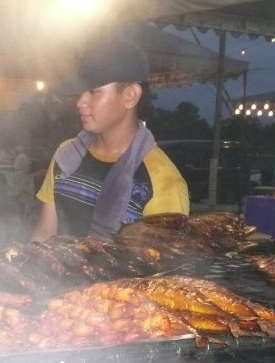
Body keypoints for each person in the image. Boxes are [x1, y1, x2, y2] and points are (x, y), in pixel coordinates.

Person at [30, 39, 189, 242]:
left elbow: (163, 269)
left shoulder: (163, 182)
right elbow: (44, 234)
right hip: (55, 273)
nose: (80, 102)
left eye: (94, 91)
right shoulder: (67, 155)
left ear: (130, 95)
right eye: (81, 92)